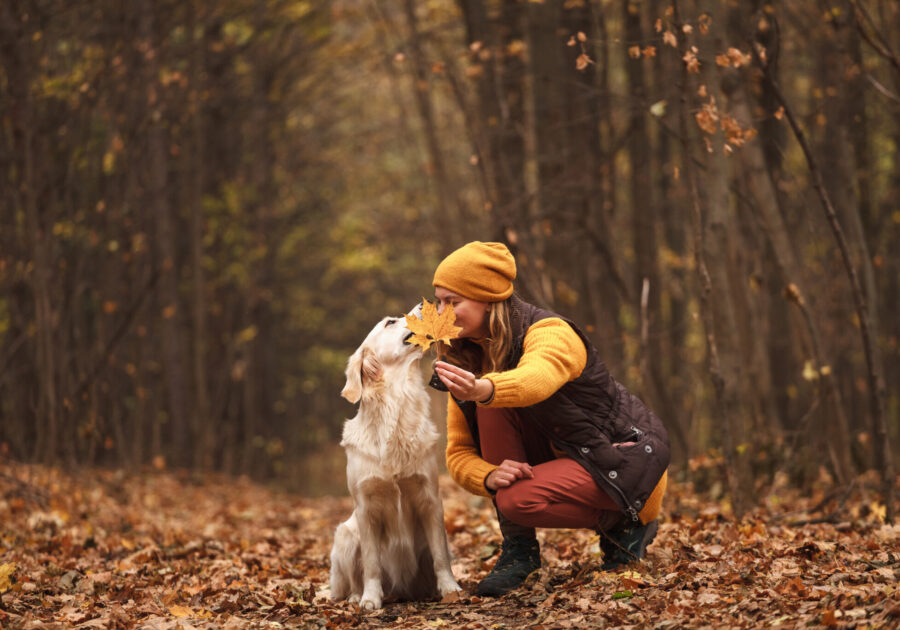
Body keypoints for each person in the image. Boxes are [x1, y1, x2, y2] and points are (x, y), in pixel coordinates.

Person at [429, 241, 669, 597]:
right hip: (566, 462)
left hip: (623, 462)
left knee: (516, 499)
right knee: (492, 429)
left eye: (453, 302)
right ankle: (519, 554)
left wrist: (483, 389)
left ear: (487, 298)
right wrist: (490, 475)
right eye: (438, 301)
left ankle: (625, 525)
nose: (441, 312)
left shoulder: (550, 332)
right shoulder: (465, 360)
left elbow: (535, 379)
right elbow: (459, 453)